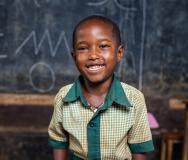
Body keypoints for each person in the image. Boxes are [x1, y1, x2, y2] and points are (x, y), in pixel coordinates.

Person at [48, 15, 154, 160]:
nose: (93, 55)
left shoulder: (134, 98)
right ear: (74, 57)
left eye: (103, 46)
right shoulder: (63, 97)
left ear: (119, 53)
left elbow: (139, 149)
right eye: (83, 48)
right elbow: (58, 141)